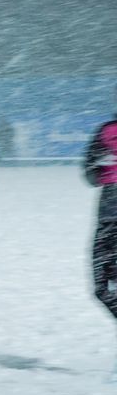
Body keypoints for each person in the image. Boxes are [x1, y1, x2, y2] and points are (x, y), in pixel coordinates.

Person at [83, 99, 117, 378]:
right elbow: (88, 174)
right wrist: (97, 166)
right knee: (102, 289)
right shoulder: (105, 132)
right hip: (107, 216)